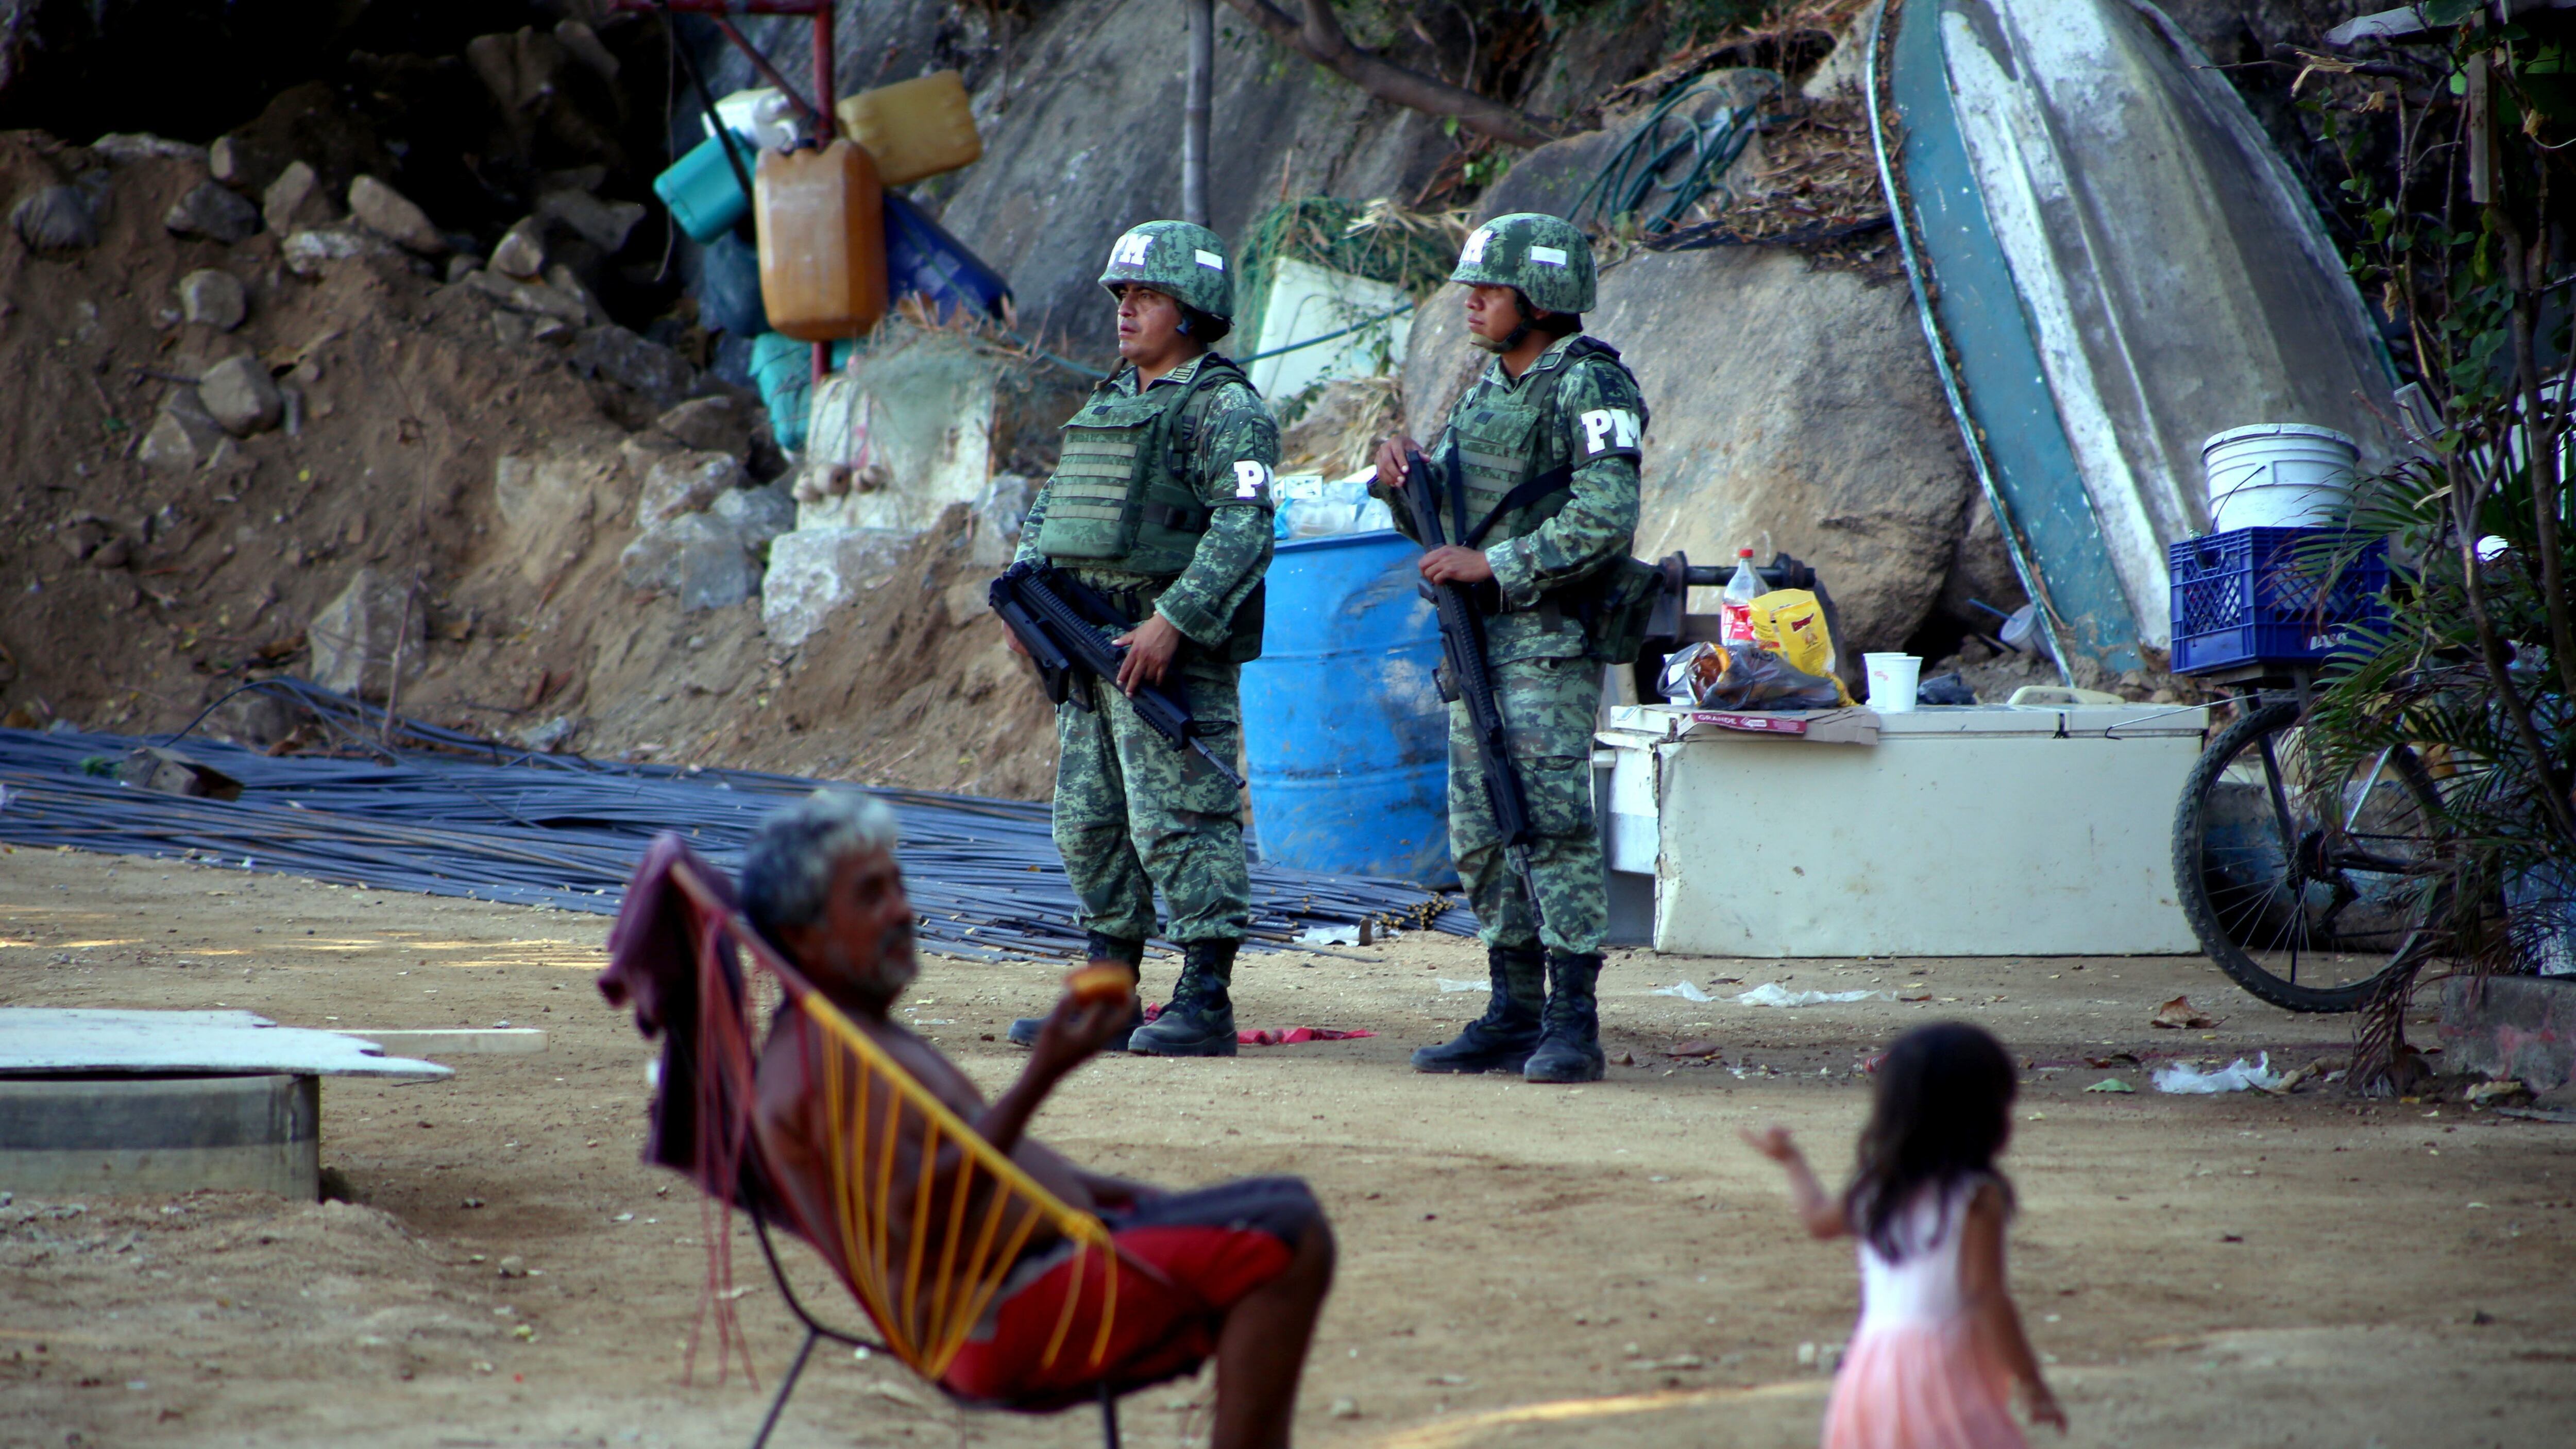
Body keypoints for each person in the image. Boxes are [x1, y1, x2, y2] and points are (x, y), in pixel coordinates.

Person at [741, 791, 1335, 1444]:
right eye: (870, 895)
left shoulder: (851, 1028)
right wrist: (1043, 1071)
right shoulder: (819, 1063)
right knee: (1287, 1235)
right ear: (801, 934)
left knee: (1273, 1208)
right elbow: (921, 1213)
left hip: (1037, 1265)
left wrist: (1120, 1196)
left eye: (898, 885)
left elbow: (982, 1162)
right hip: (998, 1318)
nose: (902, 910)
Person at [1369, 213, 1646, 1084]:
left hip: (1550, 643)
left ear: (1545, 295)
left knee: (1549, 823)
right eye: (1471, 286)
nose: (1472, 301)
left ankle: (1573, 1019)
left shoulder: (1589, 383)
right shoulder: (1488, 387)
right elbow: (1450, 513)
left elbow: (1607, 513)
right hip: (1482, 645)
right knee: (1483, 829)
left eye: (1491, 287)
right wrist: (1400, 486)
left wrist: (1501, 564)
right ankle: (1513, 1008)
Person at [1001, 219, 1278, 1057]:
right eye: (1122, 295)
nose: (1126, 311)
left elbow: (1245, 530)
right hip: (1086, 654)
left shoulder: (1226, 410)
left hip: (1166, 662)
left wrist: (1173, 622)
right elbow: (1052, 510)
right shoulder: (1111, 401)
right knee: (1088, 825)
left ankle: (1205, 996)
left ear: (1191, 311)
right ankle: (1108, 991)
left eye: (1146, 295)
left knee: (1183, 821)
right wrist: (1024, 602)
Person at [1741, 1022, 2067, 1448]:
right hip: (1944, 1365)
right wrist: (2031, 1379)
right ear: (1985, 1114)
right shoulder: (1975, 1196)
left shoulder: (1879, 1184)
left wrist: (1792, 1161)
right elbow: (1986, 1295)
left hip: (1872, 1363)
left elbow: (1819, 1220)